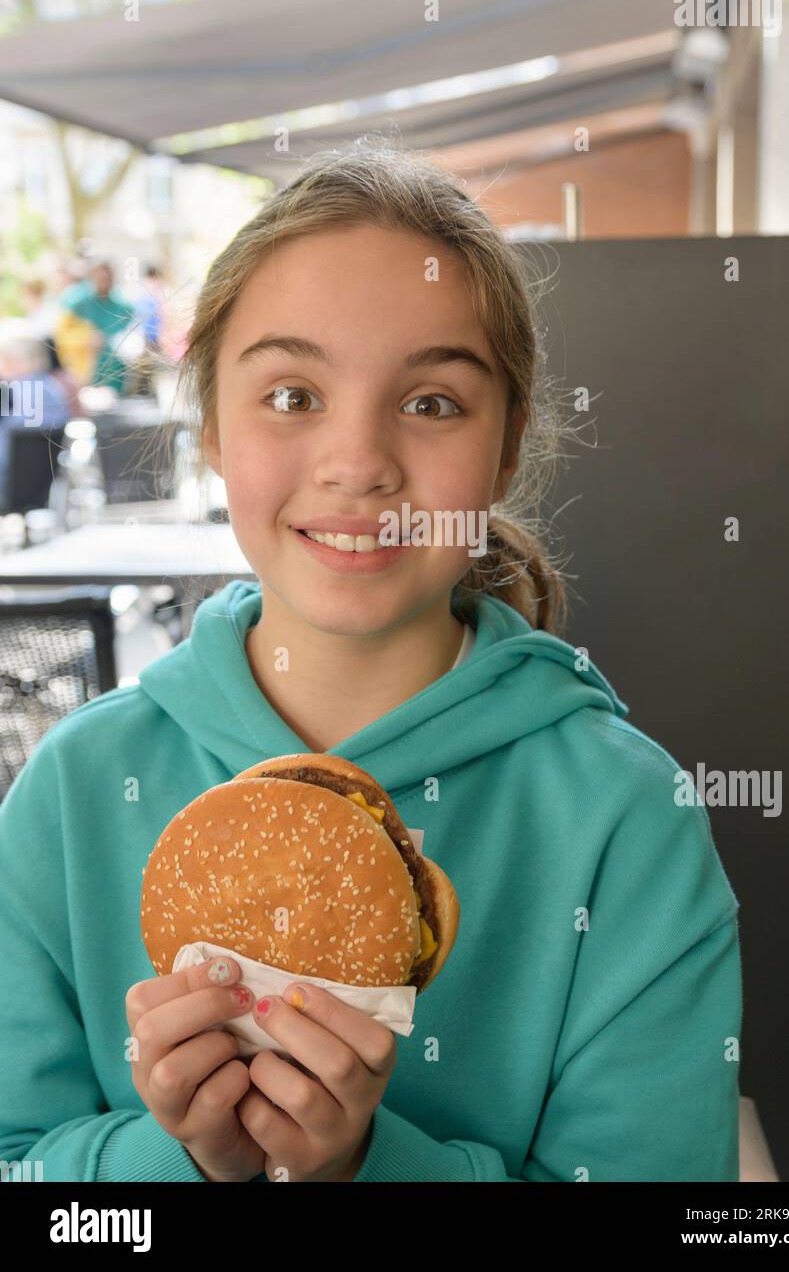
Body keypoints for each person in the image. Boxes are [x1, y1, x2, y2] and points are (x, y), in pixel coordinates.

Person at [0, 143, 742, 1183]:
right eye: (292, 395)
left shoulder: (625, 824)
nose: (357, 463)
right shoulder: (68, 796)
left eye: (432, 401)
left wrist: (366, 1167)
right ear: (212, 425)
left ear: (507, 445)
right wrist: (180, 1164)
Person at [0, 320, 71, 511]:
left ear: (12, 361)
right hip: (44, 486)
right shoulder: (55, 389)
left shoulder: (12, 392)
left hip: (7, 485)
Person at [57, 259, 138, 394]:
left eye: (107, 278)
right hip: (86, 371)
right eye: (100, 278)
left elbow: (133, 336)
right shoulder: (79, 305)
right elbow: (62, 335)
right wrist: (85, 340)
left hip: (116, 371)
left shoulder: (124, 307)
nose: (103, 282)